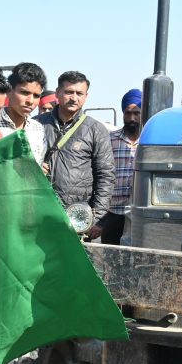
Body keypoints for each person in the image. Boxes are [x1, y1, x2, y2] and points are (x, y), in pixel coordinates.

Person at [37, 71, 115, 239]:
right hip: (38, 213)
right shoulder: (36, 125)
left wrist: (97, 218)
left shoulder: (96, 129)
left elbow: (106, 176)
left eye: (79, 93)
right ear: (57, 93)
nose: (74, 98)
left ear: (86, 96)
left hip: (76, 219)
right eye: (69, 92)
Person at [97, 89, 141, 245]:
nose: (132, 118)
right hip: (113, 213)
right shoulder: (110, 139)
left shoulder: (149, 142)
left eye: (137, 113)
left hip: (138, 216)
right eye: (128, 113)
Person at [0, 62, 48, 161]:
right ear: (9, 92)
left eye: (36, 96)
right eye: (24, 93)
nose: (30, 101)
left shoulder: (38, 130)